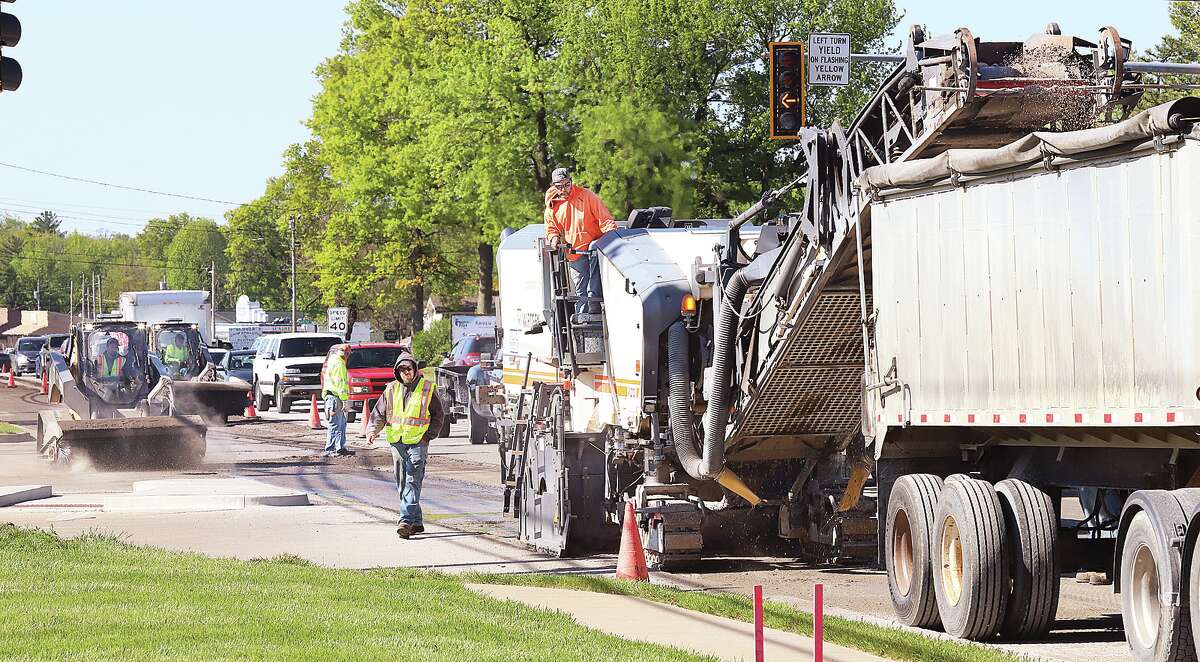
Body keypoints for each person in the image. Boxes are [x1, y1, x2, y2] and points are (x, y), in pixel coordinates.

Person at [366, 349, 444, 539]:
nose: (405, 373)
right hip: (397, 442)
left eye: (408, 369)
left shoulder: (427, 388)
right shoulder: (391, 389)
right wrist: (371, 431)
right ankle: (416, 522)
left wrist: (427, 437)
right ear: (397, 372)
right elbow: (379, 413)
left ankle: (406, 521)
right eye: (401, 370)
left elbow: (439, 416)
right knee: (402, 482)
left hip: (418, 442)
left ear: (415, 369)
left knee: (412, 480)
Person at [544, 167, 616, 314]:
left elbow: (605, 219)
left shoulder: (587, 196)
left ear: (571, 181)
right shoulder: (552, 205)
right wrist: (554, 238)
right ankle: (581, 320)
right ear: (553, 186)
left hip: (594, 248)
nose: (563, 189)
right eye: (559, 186)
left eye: (566, 184)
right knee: (580, 291)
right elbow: (551, 228)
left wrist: (612, 236)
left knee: (594, 256)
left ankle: (595, 305)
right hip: (574, 253)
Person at [322, 345, 352, 457]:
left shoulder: (334, 361)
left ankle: (340, 447)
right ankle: (330, 449)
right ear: (346, 354)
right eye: (349, 354)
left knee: (341, 424)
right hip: (335, 397)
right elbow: (341, 384)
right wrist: (345, 400)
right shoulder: (339, 365)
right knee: (335, 424)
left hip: (333, 397)